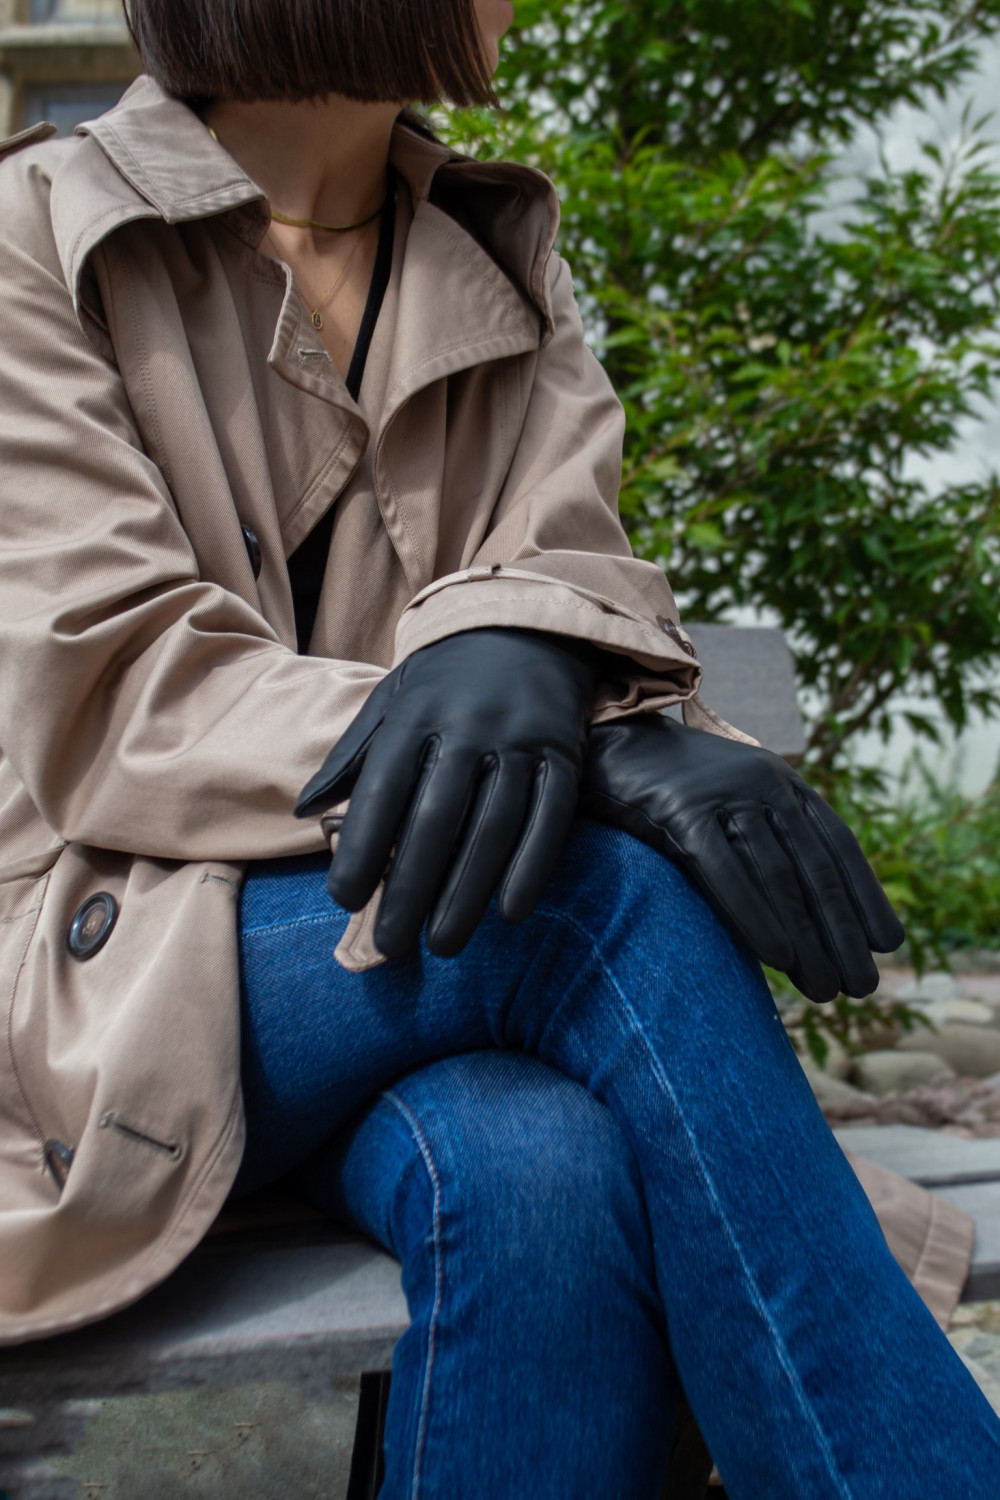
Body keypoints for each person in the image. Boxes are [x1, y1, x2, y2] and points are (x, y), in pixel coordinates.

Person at [0, 0, 996, 1494]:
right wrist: (584, 749)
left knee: (537, 1174)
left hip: (418, 940)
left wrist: (550, 671)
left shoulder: (498, 253)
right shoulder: (34, 236)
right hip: (110, 974)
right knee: (604, 903)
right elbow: (124, 689)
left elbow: (567, 571)